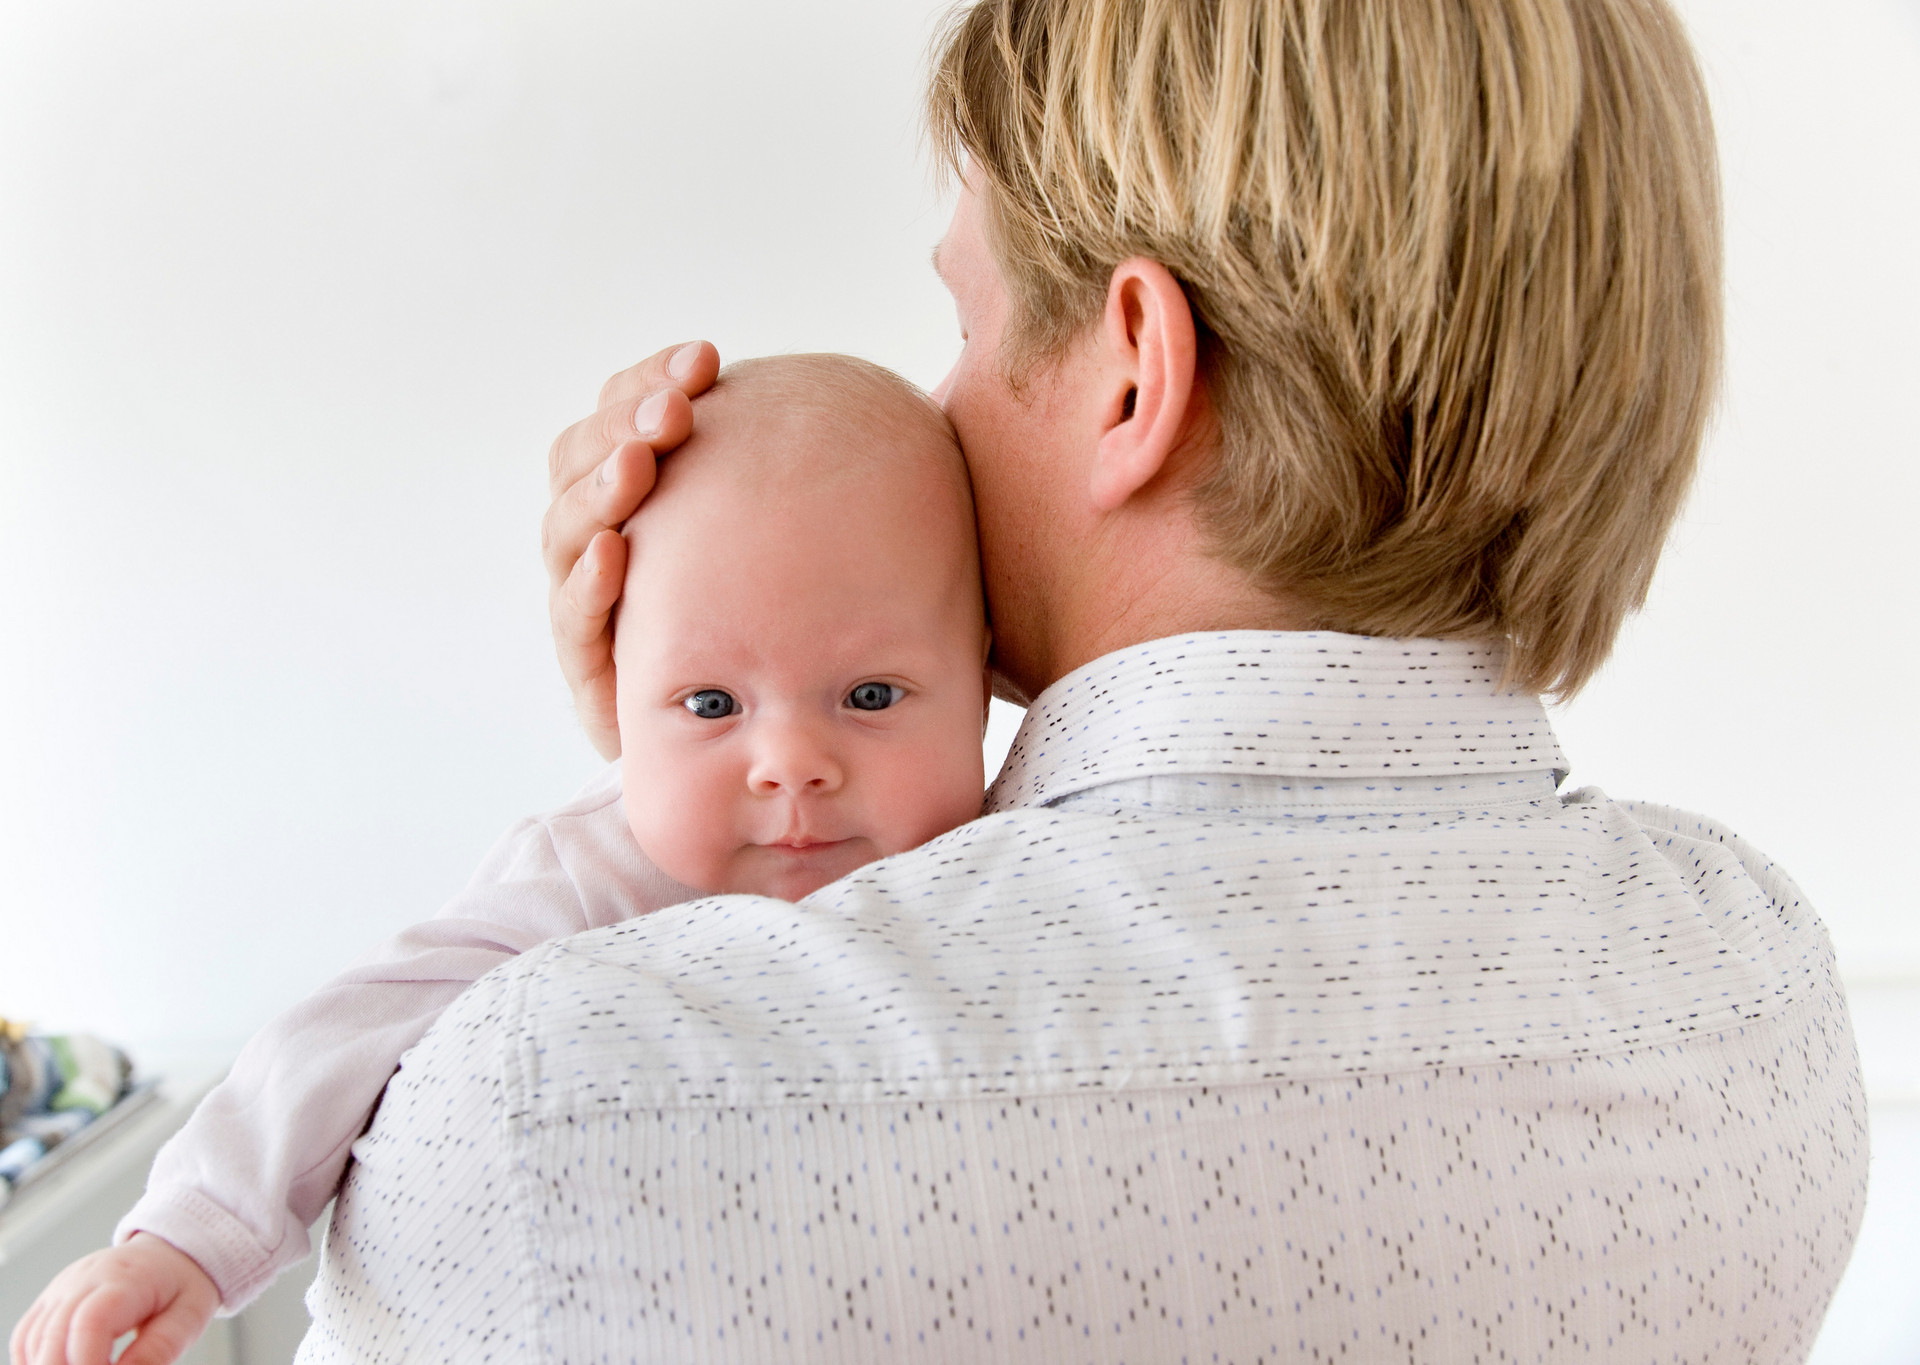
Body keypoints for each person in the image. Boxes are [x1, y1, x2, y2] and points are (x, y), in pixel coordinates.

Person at [278, 0, 1865, 1361]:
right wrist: (779, 730)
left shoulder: (559, 1112)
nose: (940, 397)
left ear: (1132, 372)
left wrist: (673, 764)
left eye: (961, 321)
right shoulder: (1763, 1000)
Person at [9, 355, 995, 1365]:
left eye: (872, 695)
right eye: (710, 706)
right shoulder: (588, 873)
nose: (791, 767)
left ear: (987, 674)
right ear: (616, 692)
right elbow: (343, 1032)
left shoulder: (1013, 848)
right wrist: (190, 1237)